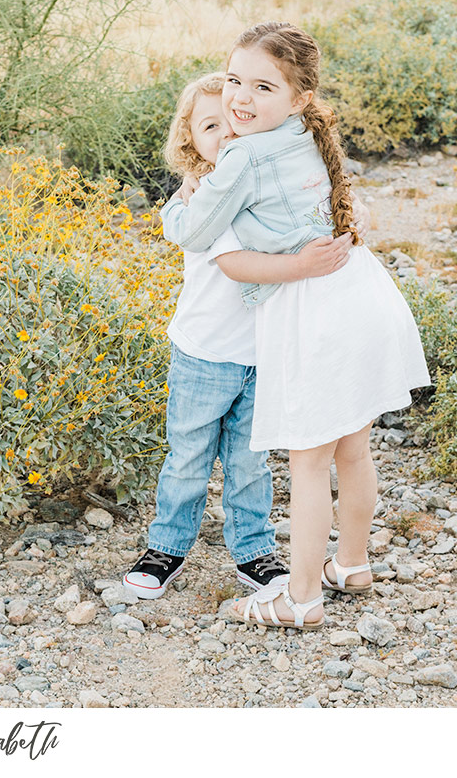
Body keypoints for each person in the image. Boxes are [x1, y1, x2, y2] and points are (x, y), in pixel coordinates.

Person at [161, 22, 429, 630]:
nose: (240, 100)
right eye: (233, 81)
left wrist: (179, 200)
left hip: (315, 311)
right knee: (354, 449)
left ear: (300, 97)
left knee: (309, 463)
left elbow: (194, 233)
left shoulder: (242, 153)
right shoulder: (304, 133)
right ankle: (352, 563)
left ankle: (300, 597)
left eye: (262, 86)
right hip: (361, 292)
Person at [122, 72, 353, 599]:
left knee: (251, 463)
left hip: (266, 353)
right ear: (190, 142)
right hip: (204, 352)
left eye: (233, 122)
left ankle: (252, 548)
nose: (226, 133)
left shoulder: (264, 186)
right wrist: (302, 264)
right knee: (187, 457)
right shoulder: (204, 195)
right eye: (210, 126)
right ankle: (167, 547)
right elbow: (235, 264)